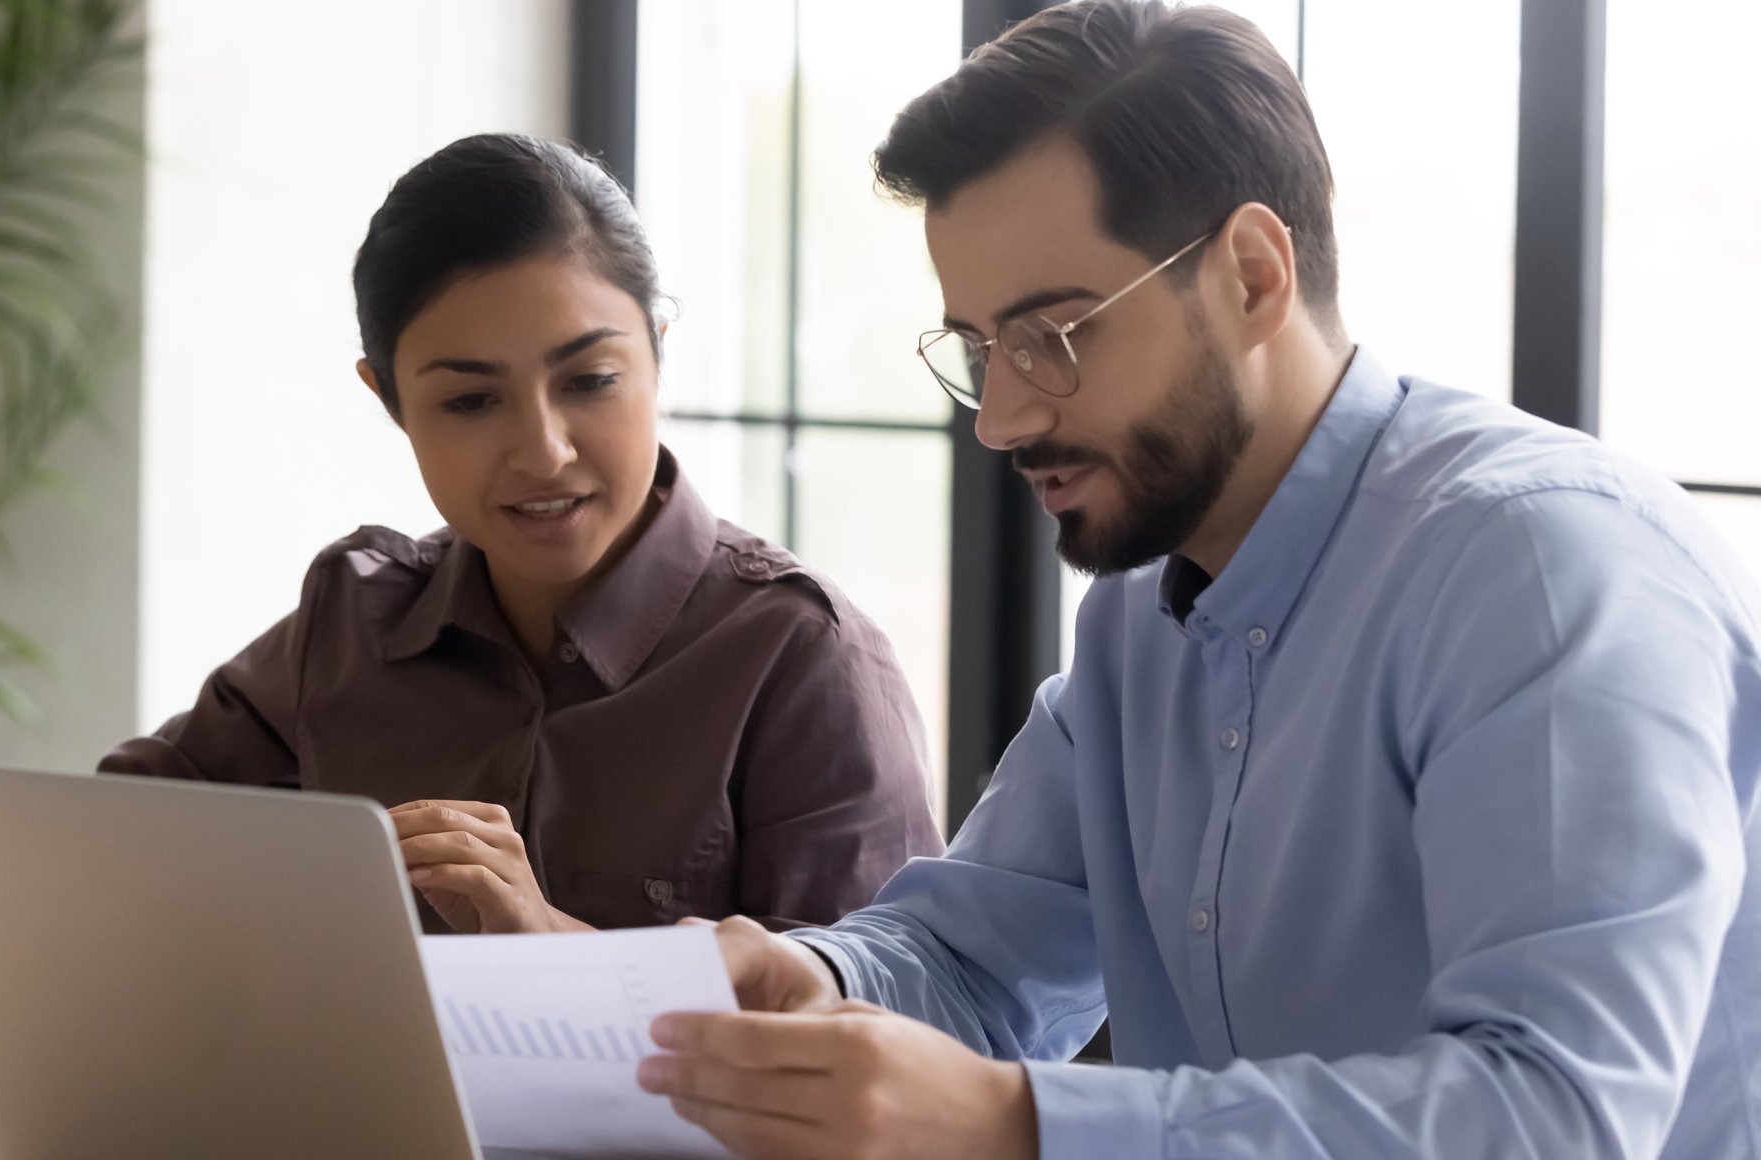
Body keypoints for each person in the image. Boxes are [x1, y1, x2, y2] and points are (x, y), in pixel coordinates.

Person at [636, 3, 1761, 1157]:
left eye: (1055, 336)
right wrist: (810, 973)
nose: (1006, 417)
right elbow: (977, 955)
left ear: (1252, 276)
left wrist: (1012, 1120)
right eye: (980, 351)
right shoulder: (1142, 603)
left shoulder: (1538, 573)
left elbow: (1550, 1113)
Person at [101, 133, 943, 935]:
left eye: (591, 380)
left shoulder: (803, 660)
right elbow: (104, 842)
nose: (544, 452)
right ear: (390, 401)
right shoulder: (353, 622)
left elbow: (865, 1046)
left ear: (658, 353)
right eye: (470, 401)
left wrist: (555, 950)